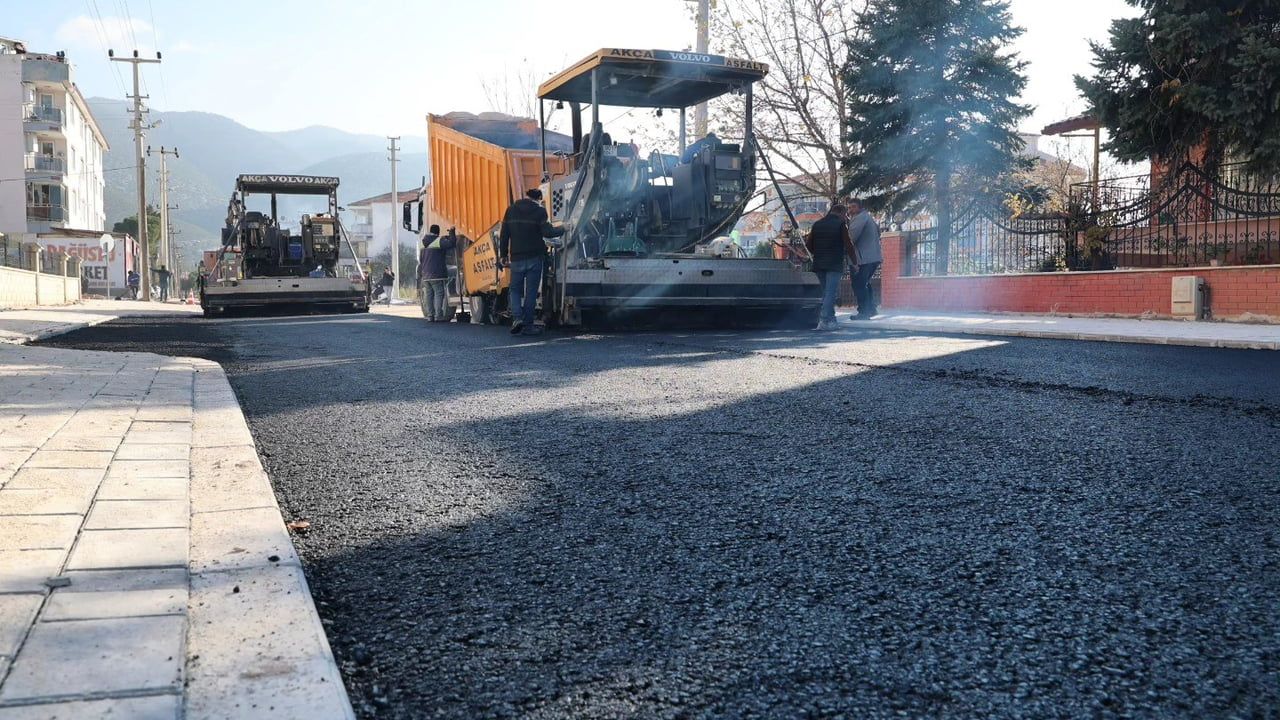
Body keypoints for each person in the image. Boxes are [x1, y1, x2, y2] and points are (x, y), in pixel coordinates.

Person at [498, 188, 565, 335]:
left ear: (526, 197)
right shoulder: (540, 212)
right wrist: (563, 228)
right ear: (539, 198)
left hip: (516, 258)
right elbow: (548, 232)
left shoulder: (511, 210)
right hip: (535, 257)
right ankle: (528, 325)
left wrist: (503, 255)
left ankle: (517, 318)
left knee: (515, 290)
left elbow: (504, 235)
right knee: (531, 292)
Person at [805, 204, 858, 332]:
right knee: (830, 293)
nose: (845, 217)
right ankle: (823, 320)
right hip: (834, 264)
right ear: (841, 213)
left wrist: (818, 253)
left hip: (819, 264)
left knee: (826, 293)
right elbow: (849, 245)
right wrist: (855, 262)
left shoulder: (817, 224)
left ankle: (831, 320)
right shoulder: (840, 224)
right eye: (845, 214)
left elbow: (808, 245)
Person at [847, 198, 883, 319]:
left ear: (859, 207)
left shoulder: (859, 218)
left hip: (863, 259)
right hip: (873, 257)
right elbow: (878, 233)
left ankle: (864, 312)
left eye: (853, 207)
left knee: (859, 284)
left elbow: (850, 238)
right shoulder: (869, 217)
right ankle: (871, 309)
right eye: (849, 207)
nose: (850, 210)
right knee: (865, 283)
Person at [417, 225, 457, 322]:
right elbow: (451, 243)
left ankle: (430, 315)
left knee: (429, 295)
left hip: (425, 274)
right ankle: (438, 315)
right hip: (436, 274)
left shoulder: (422, 243)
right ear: (437, 232)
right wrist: (451, 232)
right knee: (439, 293)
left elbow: (421, 259)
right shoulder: (438, 241)